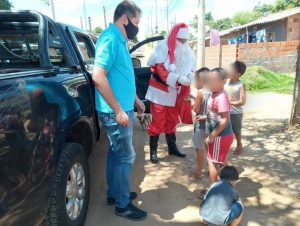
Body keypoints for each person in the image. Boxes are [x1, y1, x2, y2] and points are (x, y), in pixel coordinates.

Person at [92, 1, 147, 221]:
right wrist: (118, 110)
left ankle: (115, 194)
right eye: (135, 22)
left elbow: (121, 75)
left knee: (116, 153)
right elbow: (98, 76)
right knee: (126, 156)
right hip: (116, 111)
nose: (137, 27)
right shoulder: (109, 38)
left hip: (123, 106)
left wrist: (135, 99)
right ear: (124, 18)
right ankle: (123, 205)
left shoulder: (121, 40)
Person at [146, 23, 196, 164]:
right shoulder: (163, 47)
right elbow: (160, 69)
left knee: (171, 120)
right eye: (181, 40)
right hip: (159, 93)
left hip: (175, 93)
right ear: (175, 38)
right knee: (158, 121)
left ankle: (172, 147)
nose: (184, 43)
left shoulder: (187, 50)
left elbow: (191, 67)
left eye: (185, 40)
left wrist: (190, 77)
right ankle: (153, 151)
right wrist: (178, 79)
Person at [205, 68, 234, 183]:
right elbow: (215, 113)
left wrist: (212, 135)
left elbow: (224, 119)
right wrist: (204, 117)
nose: (210, 83)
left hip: (220, 136)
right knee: (221, 160)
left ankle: (214, 190)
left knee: (211, 161)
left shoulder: (221, 97)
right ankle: (230, 182)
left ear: (224, 81)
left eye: (214, 80)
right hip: (219, 135)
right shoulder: (214, 94)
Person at [190, 67, 210, 179]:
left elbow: (196, 109)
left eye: (196, 79)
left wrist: (192, 101)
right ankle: (209, 168)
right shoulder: (214, 90)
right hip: (211, 125)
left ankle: (198, 172)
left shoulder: (201, 92)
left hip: (200, 126)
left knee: (199, 149)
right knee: (209, 148)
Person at [225, 61, 247, 155]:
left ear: (238, 74)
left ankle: (239, 145)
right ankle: (225, 145)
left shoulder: (240, 85)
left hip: (235, 113)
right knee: (224, 129)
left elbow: (242, 102)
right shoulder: (225, 82)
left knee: (236, 131)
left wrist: (229, 102)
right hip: (224, 111)